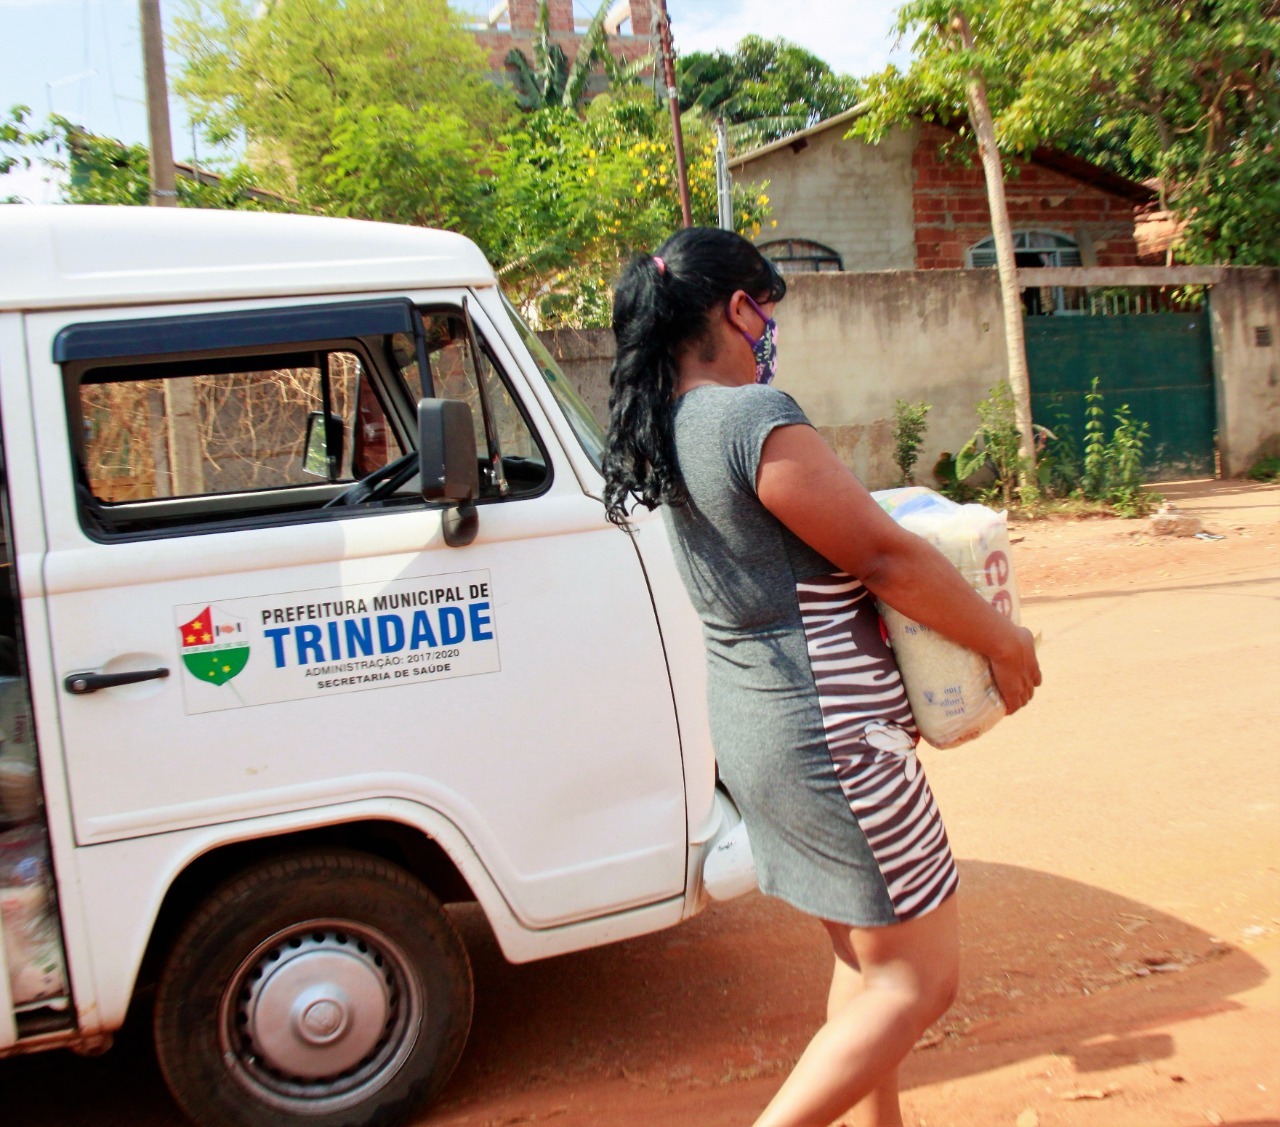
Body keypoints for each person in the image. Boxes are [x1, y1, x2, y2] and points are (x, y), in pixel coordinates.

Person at [603, 227, 1041, 1127]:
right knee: (918, 980)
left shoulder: (671, 427)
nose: (772, 330)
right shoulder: (747, 416)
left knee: (867, 963)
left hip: (761, 729)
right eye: (768, 310)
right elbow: (884, 556)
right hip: (831, 735)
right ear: (738, 309)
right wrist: (1003, 639)